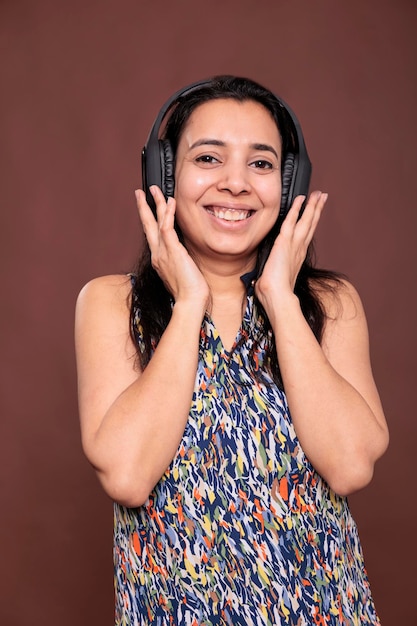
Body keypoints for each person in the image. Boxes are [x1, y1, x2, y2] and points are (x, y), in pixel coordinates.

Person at [75, 75, 389, 625]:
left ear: (289, 184)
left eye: (262, 164)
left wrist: (280, 299)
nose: (236, 184)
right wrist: (190, 300)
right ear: (164, 175)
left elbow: (350, 465)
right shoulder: (109, 303)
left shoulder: (331, 303)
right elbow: (127, 474)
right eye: (209, 158)